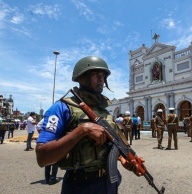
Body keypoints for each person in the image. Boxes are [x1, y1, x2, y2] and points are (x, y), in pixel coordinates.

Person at [35, 56, 142, 194]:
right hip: (80, 185)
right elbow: (42, 157)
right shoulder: (62, 108)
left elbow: (110, 145)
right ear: (82, 78)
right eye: (96, 75)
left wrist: (122, 158)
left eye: (103, 76)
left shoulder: (104, 112)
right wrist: (82, 130)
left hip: (109, 182)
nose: (101, 79)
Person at [36, 119, 59, 185]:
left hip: (46, 141)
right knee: (55, 160)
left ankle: (47, 178)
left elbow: (38, 126)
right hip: (54, 140)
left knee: (48, 160)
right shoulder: (57, 117)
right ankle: (52, 179)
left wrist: (42, 136)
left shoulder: (46, 118)